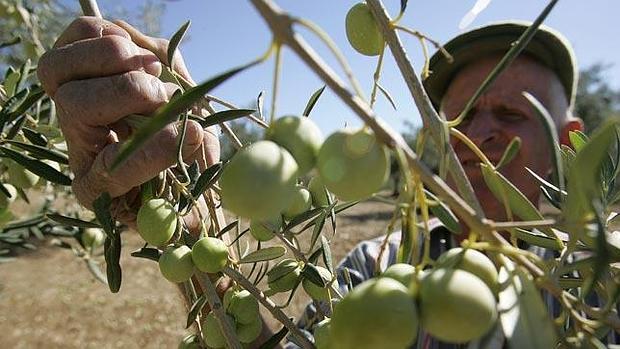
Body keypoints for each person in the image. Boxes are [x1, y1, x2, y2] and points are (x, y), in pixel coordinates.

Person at [35, 16, 608, 349]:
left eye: (510, 116)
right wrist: (187, 221)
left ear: (569, 140)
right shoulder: (374, 268)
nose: (478, 134)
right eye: (457, 117)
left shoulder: (602, 286)